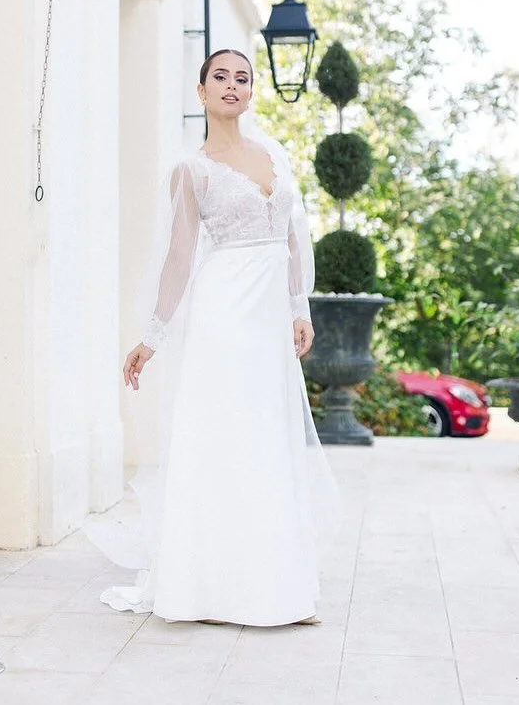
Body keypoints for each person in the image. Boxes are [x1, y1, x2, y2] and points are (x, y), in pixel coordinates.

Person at [88, 49, 337, 626]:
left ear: (251, 93)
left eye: (242, 78)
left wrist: (300, 307)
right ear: (200, 92)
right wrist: (151, 337)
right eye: (220, 77)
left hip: (269, 316)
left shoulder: (273, 153)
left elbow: (295, 237)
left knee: (270, 440)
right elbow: (178, 258)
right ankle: (210, 587)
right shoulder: (191, 170)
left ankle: (277, 588)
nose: (232, 86)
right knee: (224, 438)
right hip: (223, 314)